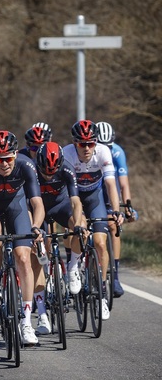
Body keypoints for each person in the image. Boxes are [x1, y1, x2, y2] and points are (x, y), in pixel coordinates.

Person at [0, 130, 45, 346]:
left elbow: (37, 203)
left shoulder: (25, 165)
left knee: (23, 257)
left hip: (17, 207)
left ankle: (27, 322)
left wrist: (36, 227)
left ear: (15, 154)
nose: (5, 163)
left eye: (8, 158)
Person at [63, 120, 125, 321]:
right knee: (77, 228)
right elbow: (67, 191)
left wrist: (115, 211)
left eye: (91, 143)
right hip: (74, 197)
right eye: (82, 144)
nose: (87, 148)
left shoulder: (103, 152)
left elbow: (110, 184)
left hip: (95, 197)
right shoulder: (67, 154)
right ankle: (73, 265)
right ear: (74, 143)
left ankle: (102, 292)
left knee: (100, 242)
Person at [36, 142, 88, 298]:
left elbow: (75, 201)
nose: (49, 176)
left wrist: (78, 225)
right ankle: (47, 271)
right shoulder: (31, 169)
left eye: (53, 172)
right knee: (41, 242)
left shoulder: (67, 168)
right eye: (45, 172)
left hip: (61, 206)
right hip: (40, 209)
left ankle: (72, 267)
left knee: (83, 231)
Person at [97, 121, 138, 297]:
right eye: (101, 145)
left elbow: (123, 183)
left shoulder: (117, 152)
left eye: (108, 145)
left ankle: (114, 276)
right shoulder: (90, 152)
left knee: (114, 225)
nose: (105, 148)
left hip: (109, 187)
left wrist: (127, 205)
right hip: (92, 188)